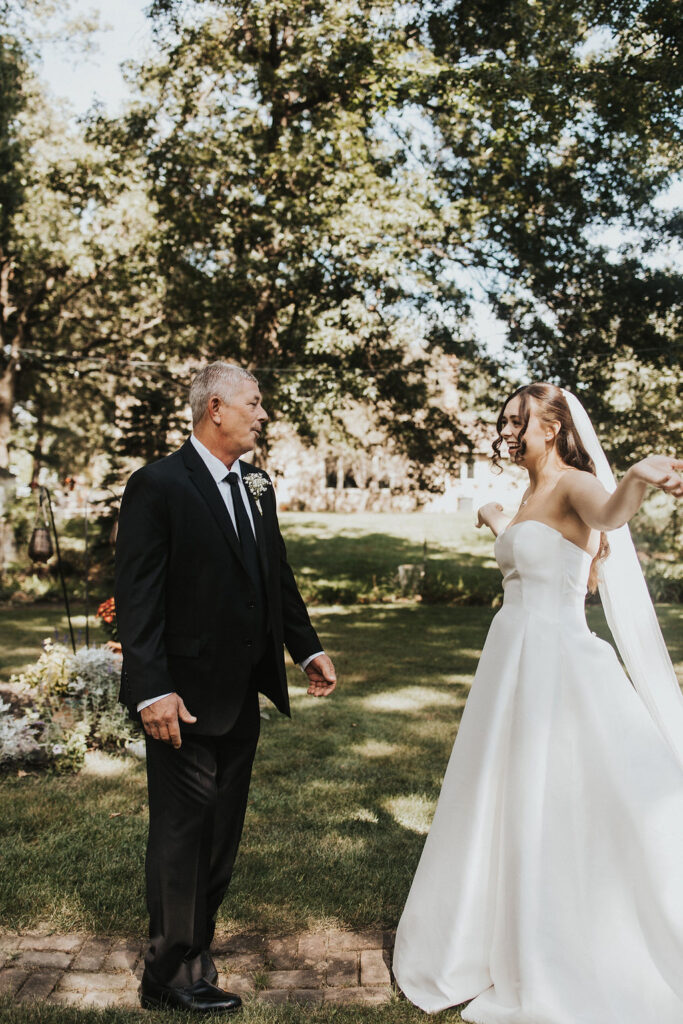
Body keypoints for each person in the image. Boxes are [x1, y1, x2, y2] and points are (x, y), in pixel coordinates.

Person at [392, 382, 683, 1023]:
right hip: (512, 663)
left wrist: (636, 476)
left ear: (549, 428)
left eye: (516, 422)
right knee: (503, 790)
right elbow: (528, 545)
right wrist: (496, 516)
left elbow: (608, 515)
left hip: (558, 663)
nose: (507, 431)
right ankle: (488, 928)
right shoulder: (529, 496)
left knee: (566, 793)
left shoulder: (576, 483)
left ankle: (563, 937)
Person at [115, 362, 337, 1014]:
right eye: (254, 404)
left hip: (241, 696)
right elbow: (138, 597)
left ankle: (194, 957)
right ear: (216, 408)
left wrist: (307, 648)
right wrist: (151, 689)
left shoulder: (259, 484)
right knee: (182, 838)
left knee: (218, 839)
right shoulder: (157, 484)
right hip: (180, 700)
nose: (261, 414)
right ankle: (169, 977)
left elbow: (276, 575)